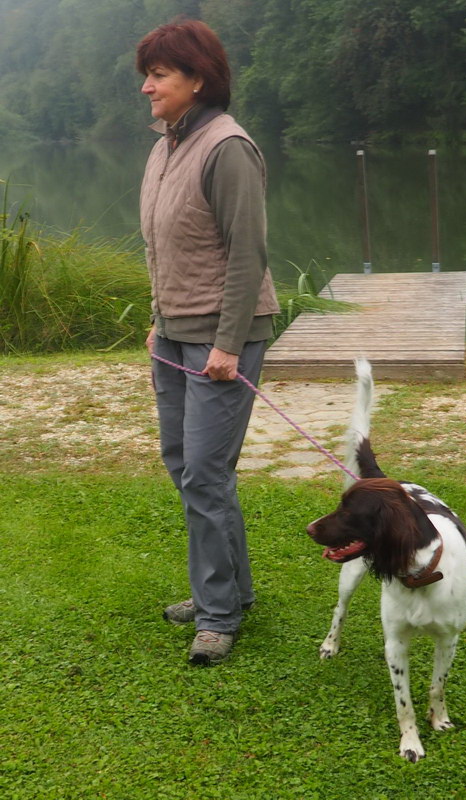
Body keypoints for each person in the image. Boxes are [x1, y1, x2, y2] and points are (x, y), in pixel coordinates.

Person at [136, 19, 279, 666]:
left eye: (159, 75)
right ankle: (232, 590)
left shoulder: (227, 147)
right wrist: (159, 317)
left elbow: (247, 254)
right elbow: (165, 243)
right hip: (174, 333)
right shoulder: (168, 144)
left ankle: (219, 614)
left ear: (197, 79)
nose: (147, 87)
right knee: (186, 465)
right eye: (147, 75)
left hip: (223, 339)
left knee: (205, 472)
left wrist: (227, 344)